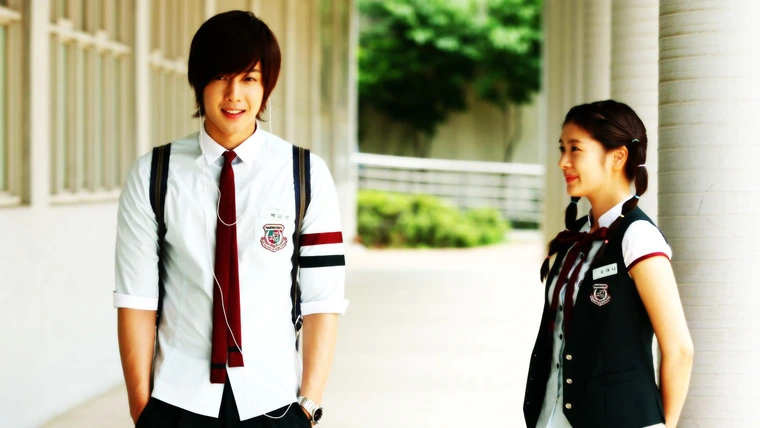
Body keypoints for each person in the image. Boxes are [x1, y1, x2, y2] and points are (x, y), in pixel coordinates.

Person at [114, 10, 347, 427]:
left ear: (266, 85)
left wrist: (309, 407)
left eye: (249, 79)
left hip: (274, 402)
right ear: (198, 81)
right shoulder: (154, 174)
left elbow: (322, 301)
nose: (234, 95)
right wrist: (142, 410)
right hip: (177, 401)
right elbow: (136, 299)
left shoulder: (305, 174)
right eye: (221, 77)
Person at [523, 100, 694, 428]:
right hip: (553, 416)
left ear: (618, 156)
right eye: (562, 148)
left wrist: (666, 425)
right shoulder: (577, 238)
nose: (563, 161)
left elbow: (679, 349)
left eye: (575, 149)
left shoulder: (638, 237)